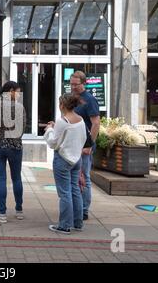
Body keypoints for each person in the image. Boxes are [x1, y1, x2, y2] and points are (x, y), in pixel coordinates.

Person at [44, 93, 87, 235]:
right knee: (75, 189)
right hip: (76, 159)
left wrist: (50, 129)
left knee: (64, 193)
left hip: (62, 159)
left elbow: (52, 142)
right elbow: (82, 138)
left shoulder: (63, 121)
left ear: (62, 105)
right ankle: (78, 223)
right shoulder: (80, 120)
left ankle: (64, 225)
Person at [0, 81, 26, 223]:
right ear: (10, 91)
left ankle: (2, 213)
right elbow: (22, 128)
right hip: (15, 146)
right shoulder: (19, 107)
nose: (18, 94)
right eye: (17, 91)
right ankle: (19, 210)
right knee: (16, 178)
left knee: (0, 179)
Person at [70, 70, 100, 221]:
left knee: (84, 177)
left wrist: (90, 145)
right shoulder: (74, 98)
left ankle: (83, 210)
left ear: (84, 83)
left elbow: (96, 123)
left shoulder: (89, 100)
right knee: (75, 177)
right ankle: (77, 207)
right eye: (71, 84)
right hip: (73, 146)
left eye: (76, 85)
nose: (73, 87)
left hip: (84, 146)